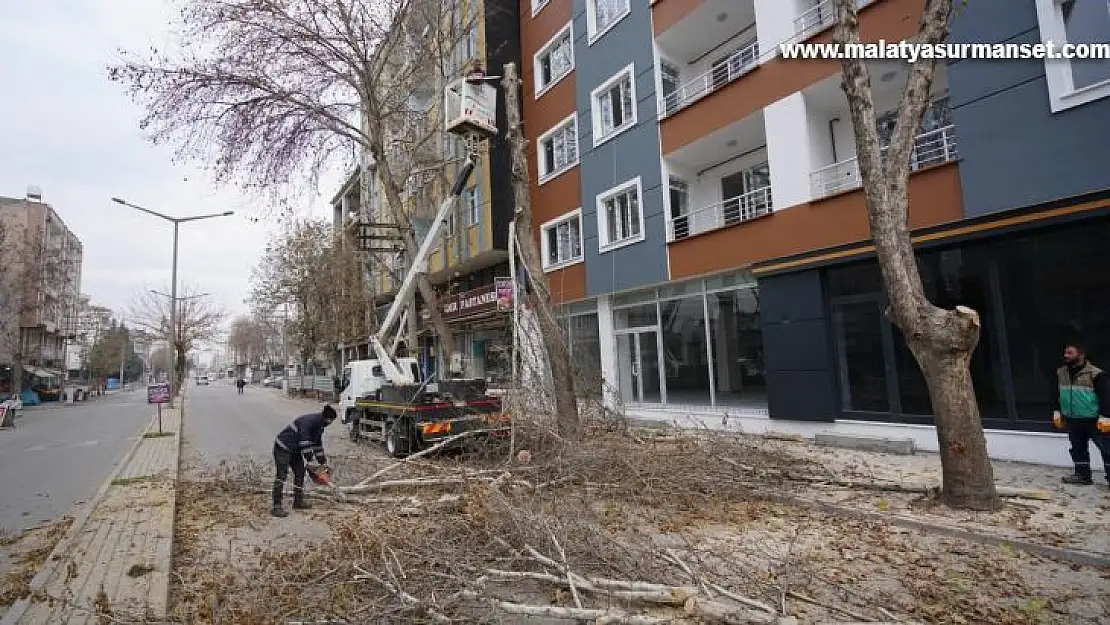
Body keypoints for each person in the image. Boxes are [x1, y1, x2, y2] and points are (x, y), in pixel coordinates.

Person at [1052, 343, 1110, 485]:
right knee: (1078, 449)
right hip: (1072, 419)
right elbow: (1054, 393)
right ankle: (1082, 476)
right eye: (1065, 352)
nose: (1066, 356)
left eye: (1070, 353)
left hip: (1094, 420)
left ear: (1081, 355)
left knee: (1107, 450)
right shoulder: (1061, 373)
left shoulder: (1096, 374)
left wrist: (1106, 415)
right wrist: (1056, 410)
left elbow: (1106, 396)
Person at [271, 404, 337, 517]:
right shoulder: (308, 422)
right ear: (327, 418)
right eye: (331, 421)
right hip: (283, 447)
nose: (331, 423)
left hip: (295, 450)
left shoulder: (320, 425)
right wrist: (310, 460)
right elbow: (304, 442)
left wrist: (322, 463)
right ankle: (276, 506)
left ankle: (298, 501)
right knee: (281, 476)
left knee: (300, 473)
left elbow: (317, 445)